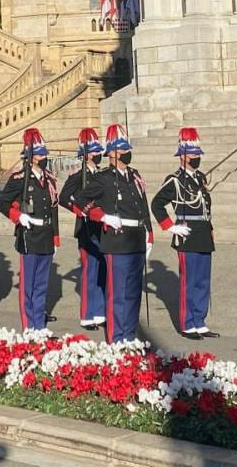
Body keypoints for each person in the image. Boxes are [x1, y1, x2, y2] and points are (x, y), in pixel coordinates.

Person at [80, 125, 153, 344]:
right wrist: (102, 216)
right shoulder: (103, 178)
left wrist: (149, 233)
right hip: (117, 241)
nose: (126, 153)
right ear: (112, 153)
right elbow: (81, 201)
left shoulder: (135, 175)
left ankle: (129, 336)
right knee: (118, 294)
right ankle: (116, 338)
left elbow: (143, 205)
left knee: (133, 293)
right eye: (122, 149)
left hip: (136, 238)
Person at [151, 129, 216, 340]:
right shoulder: (175, 180)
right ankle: (188, 323)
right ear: (182, 155)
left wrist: (211, 230)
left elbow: (205, 207)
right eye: (193, 154)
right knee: (189, 281)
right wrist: (170, 226)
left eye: (198, 154)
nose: (196, 158)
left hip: (203, 233)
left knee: (203, 281)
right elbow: (157, 204)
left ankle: (200, 320)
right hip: (186, 233)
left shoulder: (200, 177)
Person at [0, 128, 61, 330]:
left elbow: (53, 209)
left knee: (42, 283)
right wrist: (18, 216)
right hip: (30, 234)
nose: (44, 157)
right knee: (29, 285)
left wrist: (56, 237)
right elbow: (1, 201)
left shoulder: (49, 179)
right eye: (40, 154)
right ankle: (28, 326)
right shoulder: (20, 179)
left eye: (44, 153)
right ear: (31, 157)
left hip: (46, 234)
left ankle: (38, 324)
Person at [58, 128, 107, 330]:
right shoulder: (79, 175)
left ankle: (99, 312)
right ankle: (87, 314)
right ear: (87, 155)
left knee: (102, 270)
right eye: (95, 152)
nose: (99, 155)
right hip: (87, 226)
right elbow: (63, 198)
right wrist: (81, 211)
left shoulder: (103, 174)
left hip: (102, 226)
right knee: (90, 270)